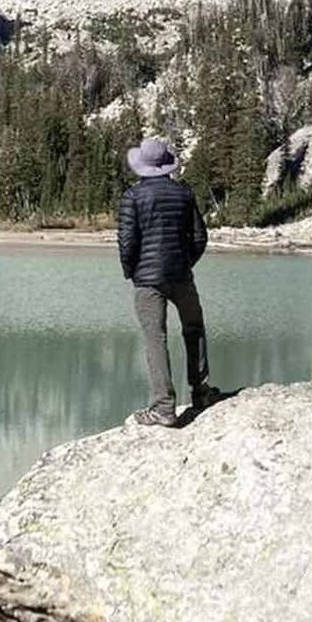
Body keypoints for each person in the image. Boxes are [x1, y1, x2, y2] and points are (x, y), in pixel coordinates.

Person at [118, 136, 217, 426]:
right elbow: (200, 237)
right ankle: (200, 393)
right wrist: (185, 263)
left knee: (155, 339)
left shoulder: (133, 197)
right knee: (194, 328)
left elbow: (127, 242)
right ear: (166, 166)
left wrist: (132, 271)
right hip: (181, 275)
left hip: (148, 281)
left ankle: (163, 408)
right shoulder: (183, 194)